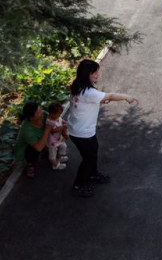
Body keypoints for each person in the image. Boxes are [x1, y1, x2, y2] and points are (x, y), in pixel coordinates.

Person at [68, 59, 138, 198]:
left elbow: (86, 102)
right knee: (88, 159)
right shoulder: (89, 92)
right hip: (83, 133)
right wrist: (127, 97)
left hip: (79, 130)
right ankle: (78, 185)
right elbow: (110, 95)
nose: (97, 74)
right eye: (94, 73)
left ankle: (92, 175)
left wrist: (99, 101)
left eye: (97, 72)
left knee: (93, 152)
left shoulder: (77, 85)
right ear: (86, 74)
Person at [14, 101, 55, 179]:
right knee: (33, 149)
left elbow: (55, 120)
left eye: (40, 109)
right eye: (38, 112)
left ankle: (44, 149)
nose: (41, 112)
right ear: (31, 118)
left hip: (40, 139)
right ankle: (30, 163)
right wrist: (47, 130)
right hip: (26, 147)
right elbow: (38, 147)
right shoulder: (26, 130)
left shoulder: (44, 115)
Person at [46, 102, 69, 171]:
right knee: (52, 155)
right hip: (52, 142)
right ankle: (55, 165)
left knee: (63, 146)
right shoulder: (49, 122)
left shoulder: (57, 117)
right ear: (52, 113)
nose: (60, 115)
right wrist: (63, 127)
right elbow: (54, 130)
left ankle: (58, 158)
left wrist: (64, 122)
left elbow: (61, 120)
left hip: (58, 139)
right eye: (58, 114)